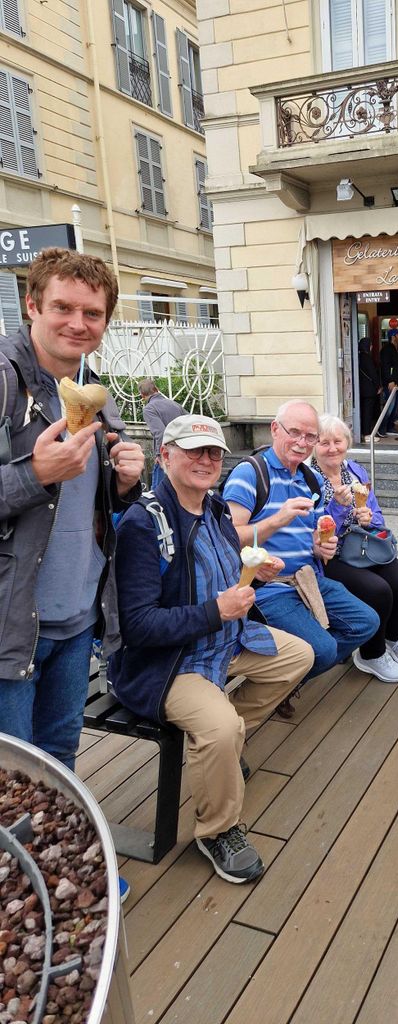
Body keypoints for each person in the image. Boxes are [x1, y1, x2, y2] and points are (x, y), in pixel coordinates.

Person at [110, 415, 314, 885]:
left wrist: (255, 568)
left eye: (214, 453)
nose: (206, 460)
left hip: (224, 642)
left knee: (299, 657)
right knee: (221, 727)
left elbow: (218, 565)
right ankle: (217, 830)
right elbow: (137, 626)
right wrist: (215, 611)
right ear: (165, 456)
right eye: (193, 451)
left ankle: (222, 745)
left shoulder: (215, 508)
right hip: (169, 662)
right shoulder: (144, 523)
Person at [0, 248, 144, 772]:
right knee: (12, 778)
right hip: (11, 628)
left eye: (93, 313)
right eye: (63, 307)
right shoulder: (4, 381)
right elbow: (39, 483)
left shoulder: (93, 392)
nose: (78, 324)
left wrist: (126, 482)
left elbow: (91, 504)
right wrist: (34, 474)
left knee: (58, 761)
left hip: (78, 617)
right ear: (32, 306)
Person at [222, 400, 379, 714]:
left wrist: (321, 547)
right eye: (294, 432)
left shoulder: (311, 479)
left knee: (366, 622)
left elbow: (313, 533)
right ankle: (250, 699)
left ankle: (286, 680)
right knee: (324, 650)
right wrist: (277, 520)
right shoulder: (250, 473)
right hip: (268, 588)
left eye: (310, 436)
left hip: (308, 578)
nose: (302, 442)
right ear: (275, 429)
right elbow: (227, 538)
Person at [312, 415, 398, 683]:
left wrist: (370, 518)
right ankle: (372, 654)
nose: (332, 448)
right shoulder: (308, 479)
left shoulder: (356, 471)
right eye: (324, 442)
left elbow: (376, 511)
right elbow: (317, 530)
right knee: (377, 590)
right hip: (331, 556)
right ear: (313, 445)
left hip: (363, 545)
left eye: (338, 441)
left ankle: (393, 637)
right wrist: (337, 507)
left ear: (347, 443)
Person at [139, 378, 188, 488]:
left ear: (142, 395)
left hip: (167, 454)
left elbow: (160, 433)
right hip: (183, 452)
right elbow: (189, 422)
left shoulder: (149, 409)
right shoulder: (174, 404)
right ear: (156, 389)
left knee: (157, 492)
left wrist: (159, 455)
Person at [379, 329, 398, 437]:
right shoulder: (387, 349)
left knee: (395, 407)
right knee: (389, 407)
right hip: (391, 383)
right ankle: (381, 429)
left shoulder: (396, 350)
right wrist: (390, 380)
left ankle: (390, 427)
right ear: (393, 337)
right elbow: (385, 367)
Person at [357, 337, 382, 441]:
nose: (371, 347)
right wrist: (378, 386)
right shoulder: (367, 358)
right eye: (370, 345)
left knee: (363, 411)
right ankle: (367, 434)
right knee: (368, 412)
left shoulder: (358, 357)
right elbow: (373, 374)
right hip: (369, 390)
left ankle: (363, 432)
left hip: (361, 389)